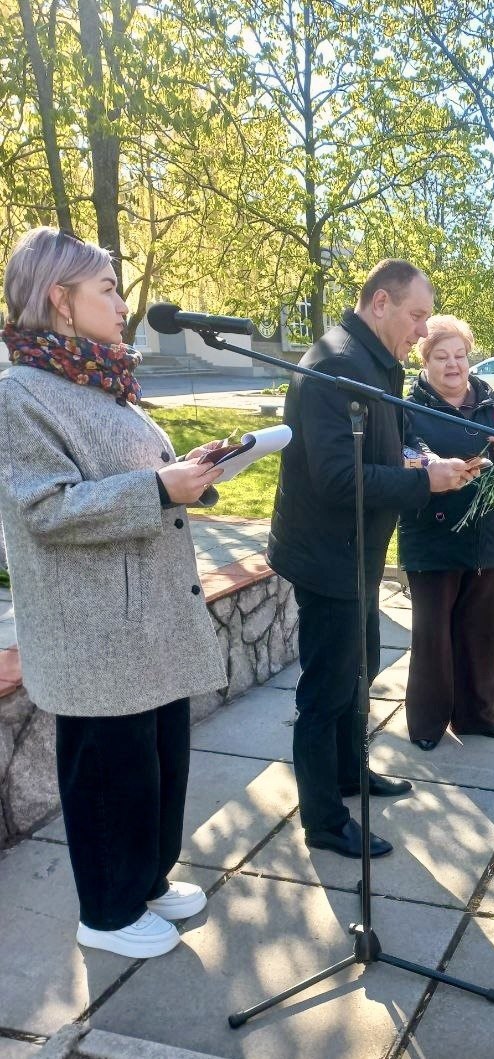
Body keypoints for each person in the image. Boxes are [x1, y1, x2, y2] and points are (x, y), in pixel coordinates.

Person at [0, 227, 228, 958]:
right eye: (106, 288)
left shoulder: (101, 380)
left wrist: (182, 474)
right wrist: (159, 486)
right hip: (93, 629)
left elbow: (131, 479)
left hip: (148, 618)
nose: (121, 302)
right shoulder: (20, 393)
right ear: (59, 301)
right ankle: (106, 913)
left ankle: (148, 883)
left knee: (157, 764)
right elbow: (44, 508)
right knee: (108, 776)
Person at [267, 260, 477, 859]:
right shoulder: (335, 364)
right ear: (380, 302)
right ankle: (325, 821)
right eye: (416, 316)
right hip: (328, 556)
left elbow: (386, 445)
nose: (422, 331)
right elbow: (336, 477)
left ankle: (348, 774)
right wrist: (424, 484)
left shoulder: (376, 363)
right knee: (328, 687)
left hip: (357, 552)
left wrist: (420, 461)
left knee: (361, 670)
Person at [398, 315, 494, 751]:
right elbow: (408, 456)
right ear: (425, 360)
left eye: (460, 355)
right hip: (431, 536)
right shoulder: (408, 409)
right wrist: (432, 466)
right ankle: (428, 723)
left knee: (481, 631)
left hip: (484, 536)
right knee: (432, 635)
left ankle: (478, 716)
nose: (453, 365)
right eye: (441, 356)